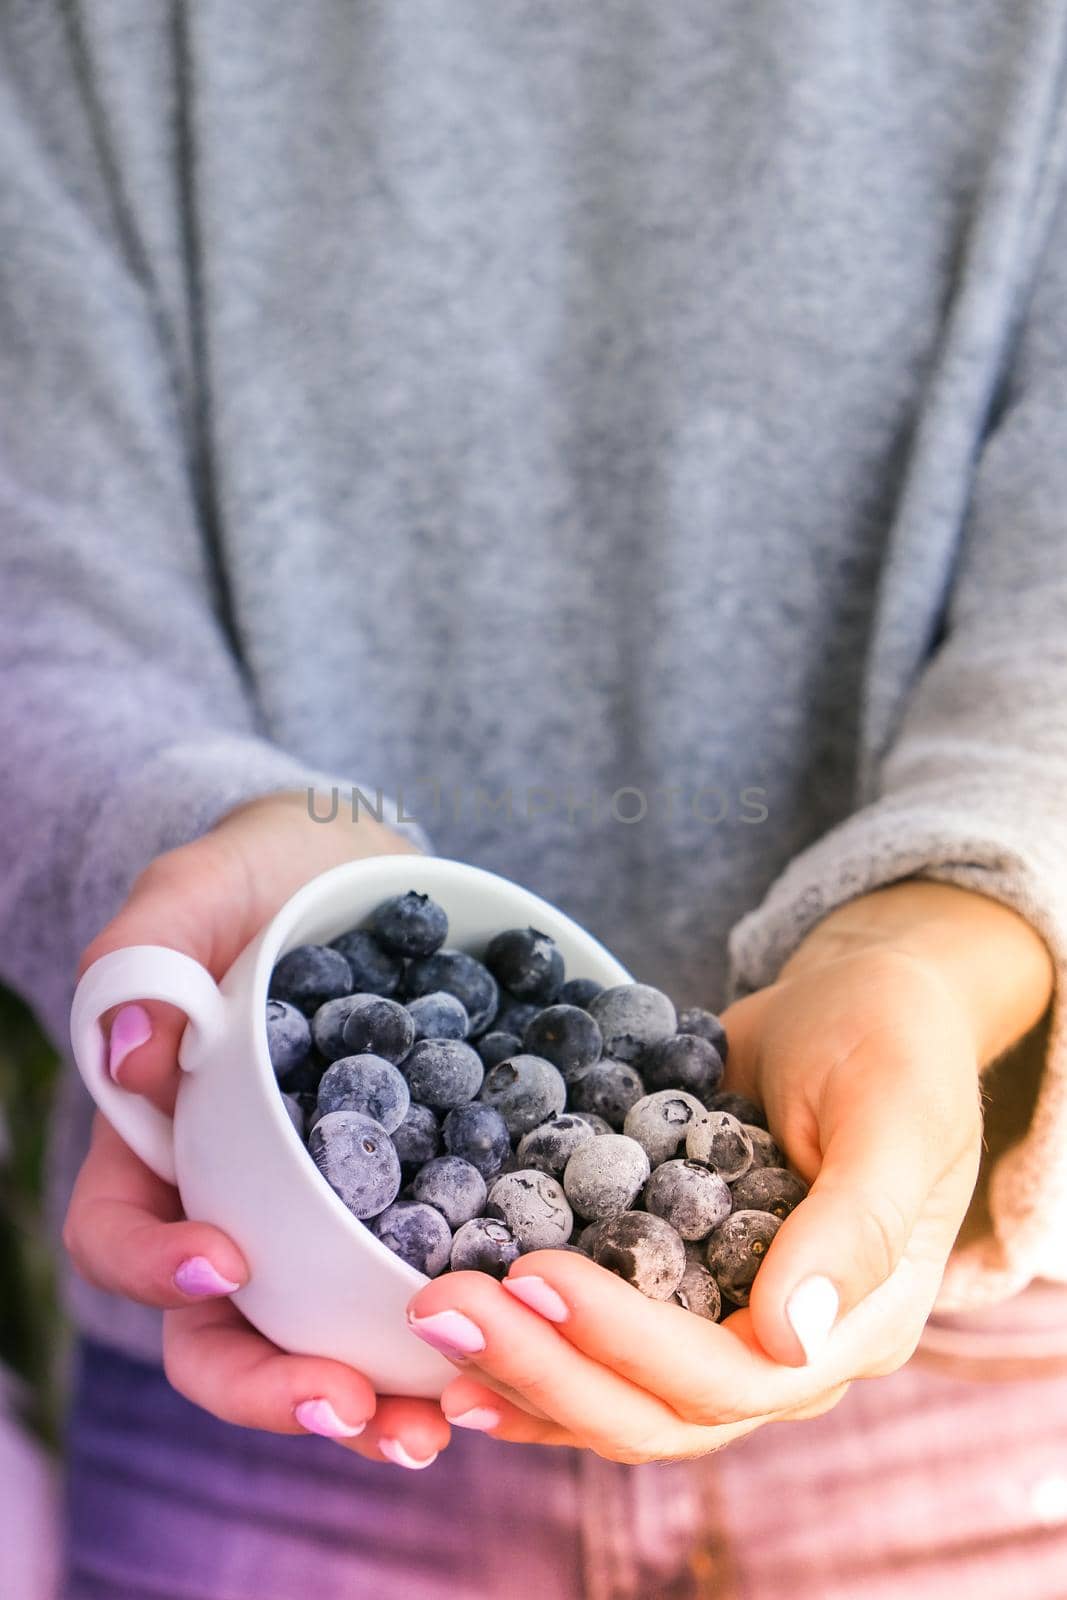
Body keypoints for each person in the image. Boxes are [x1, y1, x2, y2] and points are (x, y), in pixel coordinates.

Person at [2, 1, 1067, 1595]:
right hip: (274, 1380)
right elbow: (36, 588)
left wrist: (938, 937)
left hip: (975, 1386)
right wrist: (191, 835)